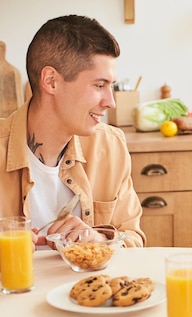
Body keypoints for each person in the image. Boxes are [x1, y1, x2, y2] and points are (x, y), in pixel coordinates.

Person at [0, 15, 145, 248]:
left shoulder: (110, 146)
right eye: (99, 85)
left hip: (87, 284)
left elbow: (134, 239)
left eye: (112, 86)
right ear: (51, 81)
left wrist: (98, 239)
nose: (111, 102)